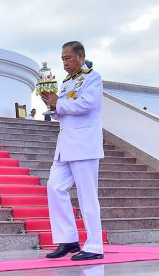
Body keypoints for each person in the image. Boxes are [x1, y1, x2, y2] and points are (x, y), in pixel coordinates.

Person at [41, 41, 104, 261]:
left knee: (87, 197)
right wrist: (52, 105)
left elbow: (87, 104)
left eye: (67, 58)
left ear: (80, 56)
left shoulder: (92, 78)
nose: (65, 63)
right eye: (62, 59)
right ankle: (68, 239)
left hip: (85, 145)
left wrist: (59, 103)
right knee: (54, 187)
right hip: (65, 144)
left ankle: (95, 246)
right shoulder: (66, 83)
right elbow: (63, 111)